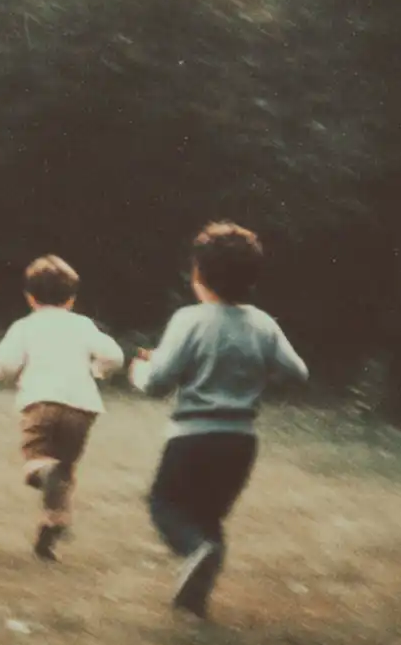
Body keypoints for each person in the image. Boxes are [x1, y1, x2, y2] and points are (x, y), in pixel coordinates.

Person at [129, 221, 309, 619]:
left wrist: (140, 371)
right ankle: (194, 601)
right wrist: (256, 372)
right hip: (240, 441)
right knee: (208, 517)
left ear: (198, 273)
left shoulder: (189, 319)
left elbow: (159, 382)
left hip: (192, 437)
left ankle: (196, 552)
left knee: (165, 505)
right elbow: (298, 373)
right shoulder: (263, 323)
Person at [0, 255, 125, 561]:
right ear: (71, 298)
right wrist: (98, 371)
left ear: (30, 297)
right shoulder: (83, 325)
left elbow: (4, 364)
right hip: (82, 408)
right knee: (64, 470)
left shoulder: (25, 327)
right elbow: (115, 356)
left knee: (37, 464)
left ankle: (48, 484)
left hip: (41, 402)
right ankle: (52, 526)